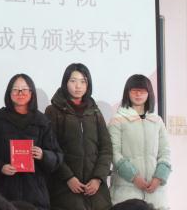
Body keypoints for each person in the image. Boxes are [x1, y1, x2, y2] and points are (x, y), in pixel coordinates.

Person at [0, 74, 62, 210]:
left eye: (24, 89)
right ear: (9, 93)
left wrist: (43, 155)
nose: (20, 93)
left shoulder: (42, 122)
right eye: (15, 90)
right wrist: (0, 167)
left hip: (35, 196)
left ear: (31, 93)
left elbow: (57, 157)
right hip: (3, 195)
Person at [44, 63, 113, 210]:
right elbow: (51, 149)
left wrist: (98, 178)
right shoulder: (53, 111)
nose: (78, 86)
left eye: (83, 81)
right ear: (65, 82)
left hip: (96, 191)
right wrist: (68, 178)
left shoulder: (95, 112)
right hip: (64, 189)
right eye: (73, 81)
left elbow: (106, 148)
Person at [108, 75, 171, 210]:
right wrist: (134, 177)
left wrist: (158, 178)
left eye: (142, 91)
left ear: (149, 93)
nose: (138, 94)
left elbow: (165, 152)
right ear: (127, 93)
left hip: (155, 193)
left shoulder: (157, 121)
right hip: (127, 192)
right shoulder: (117, 120)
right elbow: (114, 153)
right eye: (134, 90)